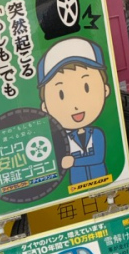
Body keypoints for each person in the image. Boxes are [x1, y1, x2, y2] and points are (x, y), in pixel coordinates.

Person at [38, 37, 111, 186]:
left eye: (86, 87)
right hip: (76, 185)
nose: (75, 105)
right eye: (61, 94)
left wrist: (73, 162)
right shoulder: (64, 139)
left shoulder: (96, 133)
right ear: (45, 107)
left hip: (104, 182)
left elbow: (98, 157)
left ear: (105, 89)